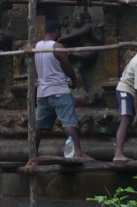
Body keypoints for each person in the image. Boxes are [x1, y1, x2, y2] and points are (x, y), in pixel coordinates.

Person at [30, 17, 91, 163]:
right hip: (59, 90)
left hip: (43, 92)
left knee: (39, 125)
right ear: (56, 31)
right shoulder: (57, 47)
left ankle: (33, 153)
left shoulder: (37, 46)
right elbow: (67, 67)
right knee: (69, 122)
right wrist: (74, 79)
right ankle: (78, 152)